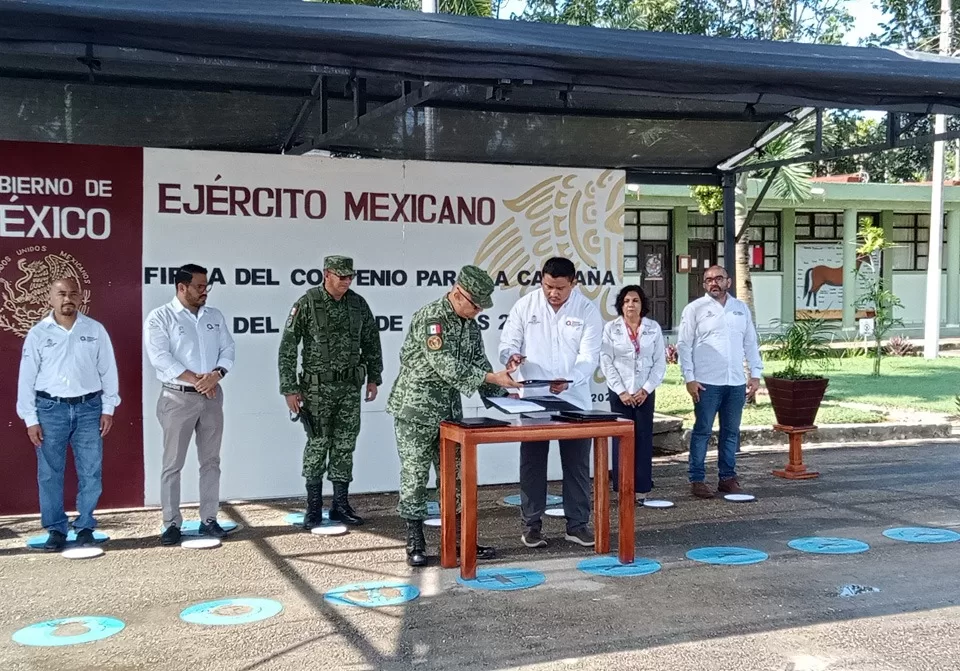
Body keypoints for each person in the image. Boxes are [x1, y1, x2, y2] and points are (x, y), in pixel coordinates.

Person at [387, 265, 519, 567]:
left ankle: (460, 540)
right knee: (416, 476)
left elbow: (478, 361)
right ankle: (415, 542)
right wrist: (490, 379)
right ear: (458, 294)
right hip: (415, 411)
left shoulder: (470, 324)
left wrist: (507, 395)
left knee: (456, 478)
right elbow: (443, 363)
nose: (477, 312)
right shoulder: (432, 318)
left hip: (448, 413)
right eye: (475, 305)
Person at [498, 256, 603, 549]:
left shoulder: (587, 311)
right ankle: (531, 526)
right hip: (534, 398)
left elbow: (588, 357)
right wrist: (511, 357)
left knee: (577, 464)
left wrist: (569, 380)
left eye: (559, 288)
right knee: (532, 462)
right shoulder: (525, 306)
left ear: (573, 283)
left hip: (574, 397)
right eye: (547, 286)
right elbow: (508, 343)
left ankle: (577, 525)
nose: (552, 293)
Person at [278, 255, 383, 529]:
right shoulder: (307, 303)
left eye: (350, 277)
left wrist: (374, 377)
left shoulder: (358, 304)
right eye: (341, 276)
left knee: (345, 445)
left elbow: (372, 341)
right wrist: (290, 388)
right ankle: (313, 507)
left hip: (349, 388)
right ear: (326, 274)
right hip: (316, 389)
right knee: (318, 444)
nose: (346, 281)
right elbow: (288, 348)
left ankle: (340, 505)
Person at [16, 278, 120, 552]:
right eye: (61, 294)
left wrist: (108, 408)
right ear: (50, 298)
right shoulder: (39, 334)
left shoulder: (95, 330)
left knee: (91, 471)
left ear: (81, 297)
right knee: (50, 474)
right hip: (50, 410)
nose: (68, 299)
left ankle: (85, 526)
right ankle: (56, 530)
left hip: (89, 409)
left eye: (73, 293)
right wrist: (31, 419)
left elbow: (108, 371)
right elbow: (26, 379)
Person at [144, 264, 235, 545]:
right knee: (173, 463)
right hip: (177, 397)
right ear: (181, 287)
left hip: (211, 396)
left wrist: (217, 374)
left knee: (211, 461)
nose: (204, 291)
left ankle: (209, 518)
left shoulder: (214, 316)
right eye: (199, 286)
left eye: (206, 285)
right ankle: (171, 523)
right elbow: (160, 357)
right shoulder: (160, 317)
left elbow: (228, 349)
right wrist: (197, 380)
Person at [677, 265, 762, 499]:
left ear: (729, 282)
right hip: (706, 383)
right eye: (708, 280)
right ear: (704, 285)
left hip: (735, 382)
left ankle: (727, 478)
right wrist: (689, 378)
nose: (713, 283)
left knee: (731, 432)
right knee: (702, 430)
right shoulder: (695, 309)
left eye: (718, 278)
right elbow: (684, 344)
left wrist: (755, 374)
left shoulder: (740, 309)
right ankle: (697, 479)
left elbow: (750, 343)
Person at [599, 285, 665, 503]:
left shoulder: (653, 328)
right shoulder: (611, 328)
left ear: (642, 304)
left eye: (635, 301)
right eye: (626, 301)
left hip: (644, 392)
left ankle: (642, 488)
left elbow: (659, 363)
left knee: (644, 439)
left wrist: (646, 388)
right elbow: (606, 361)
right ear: (621, 304)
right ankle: (621, 487)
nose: (631, 305)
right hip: (621, 393)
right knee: (621, 441)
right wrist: (621, 391)